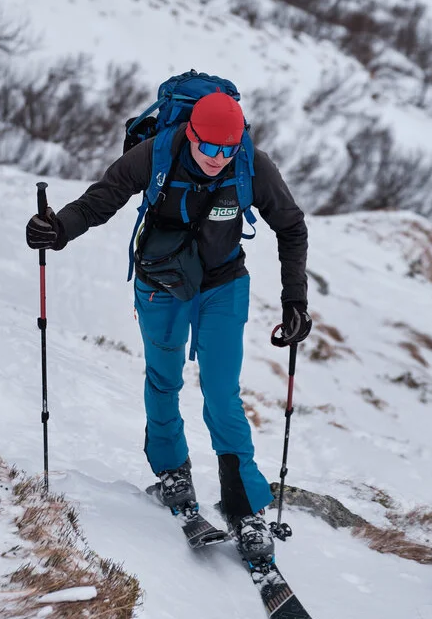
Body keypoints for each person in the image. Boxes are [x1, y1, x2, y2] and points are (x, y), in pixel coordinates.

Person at [24, 90, 311, 563]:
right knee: (164, 379)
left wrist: (294, 299)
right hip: (161, 281)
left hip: (223, 283)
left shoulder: (251, 164)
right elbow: (102, 199)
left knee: (222, 393)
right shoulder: (156, 153)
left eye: (228, 148)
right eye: (208, 147)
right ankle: (173, 472)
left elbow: (292, 227)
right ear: (189, 133)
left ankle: (243, 507)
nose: (218, 158)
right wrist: (58, 230)